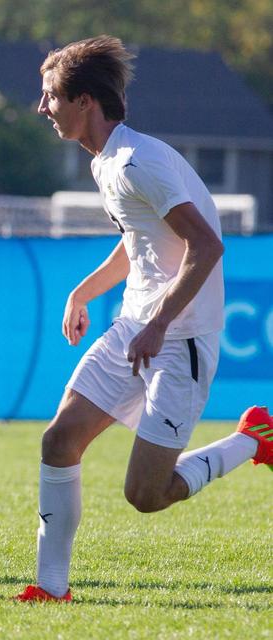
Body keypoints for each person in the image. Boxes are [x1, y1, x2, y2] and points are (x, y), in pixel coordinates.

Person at [15, 35, 272, 603]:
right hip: (136, 326)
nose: (42, 107)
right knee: (59, 441)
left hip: (178, 339)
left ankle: (250, 443)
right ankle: (51, 590)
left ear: (85, 101)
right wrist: (82, 292)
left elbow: (206, 246)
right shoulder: (108, 162)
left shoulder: (137, 163)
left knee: (147, 494)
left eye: (51, 95)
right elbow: (140, 243)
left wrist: (158, 325)